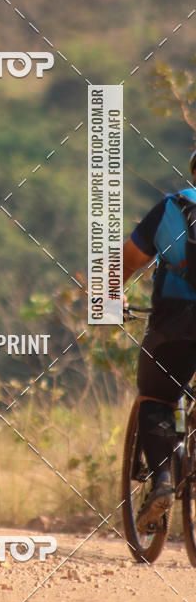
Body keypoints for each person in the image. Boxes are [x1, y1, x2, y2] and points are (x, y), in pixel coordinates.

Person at [123, 150, 196, 532]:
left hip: (176, 323)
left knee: (157, 397)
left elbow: (128, 262)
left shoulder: (173, 207)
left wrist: (110, 297)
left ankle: (163, 482)